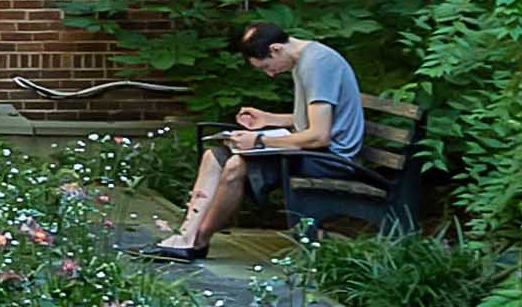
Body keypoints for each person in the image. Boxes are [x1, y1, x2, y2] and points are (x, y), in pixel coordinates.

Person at [153, 22, 364, 260]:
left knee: (236, 165)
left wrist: (260, 140)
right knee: (214, 156)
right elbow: (314, 121)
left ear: (275, 49)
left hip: (331, 159)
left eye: (266, 66)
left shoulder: (317, 65)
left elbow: (319, 135)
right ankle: (185, 235)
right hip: (314, 152)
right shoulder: (306, 60)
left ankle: (198, 240)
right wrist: (268, 119)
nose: (270, 74)